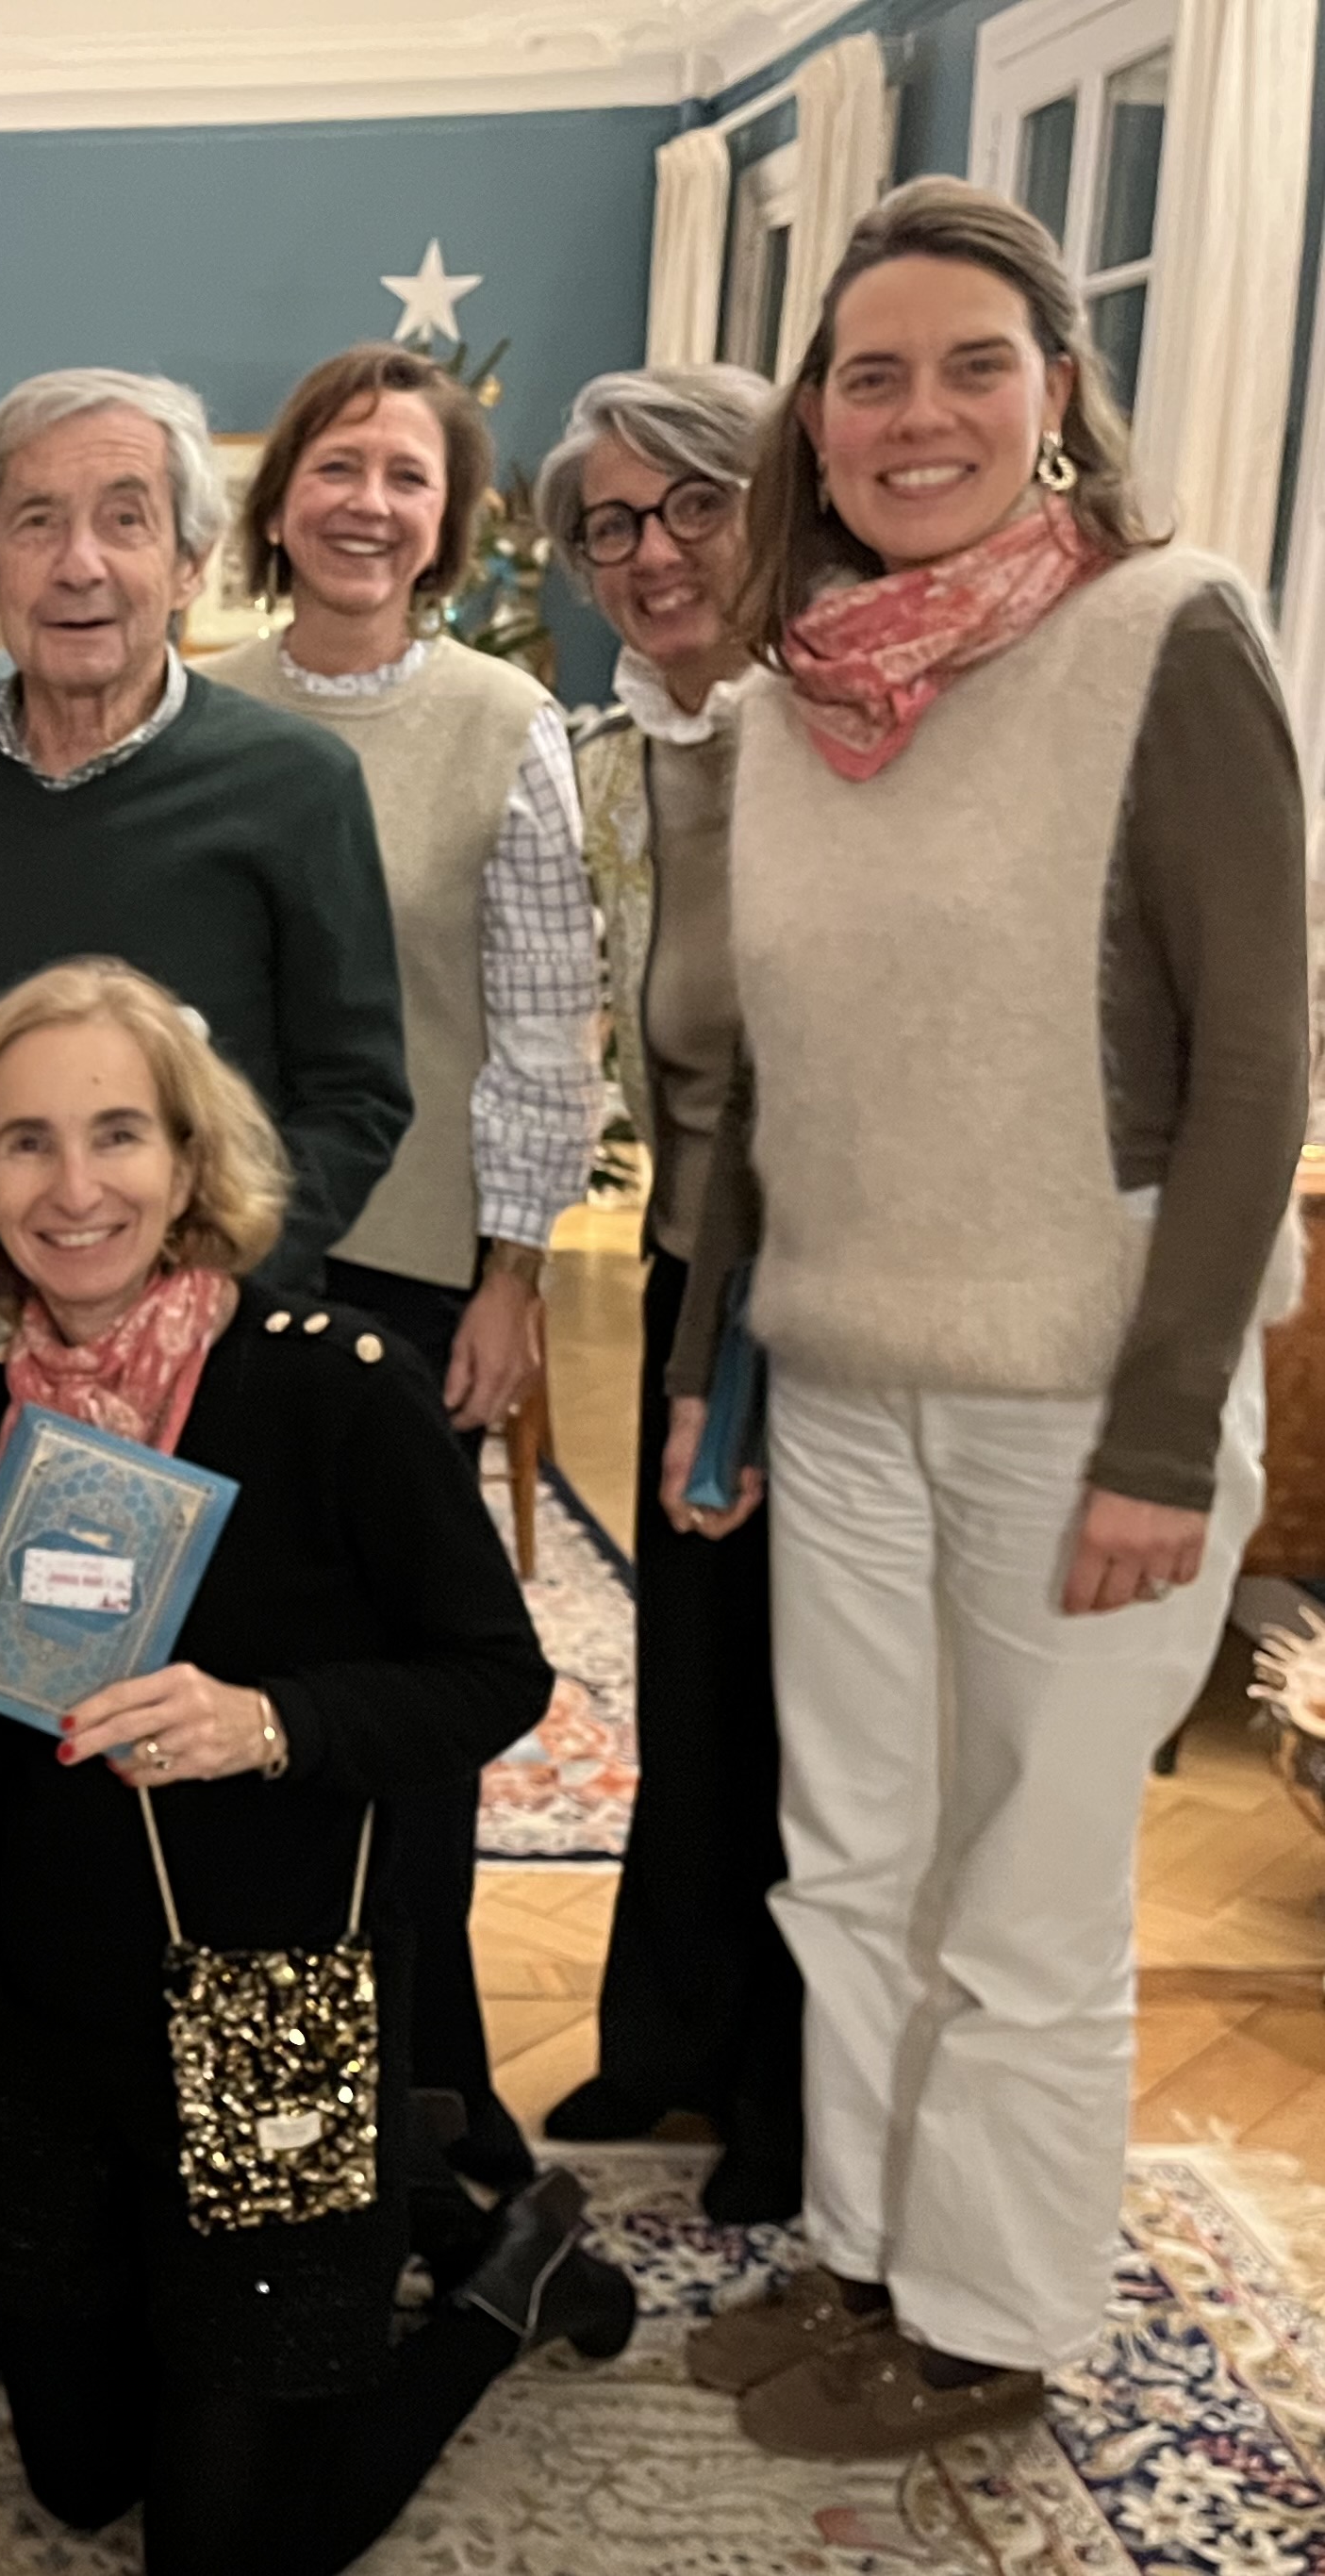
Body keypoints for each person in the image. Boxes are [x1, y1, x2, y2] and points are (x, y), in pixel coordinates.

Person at [659, 178, 1306, 2458]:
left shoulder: (1168, 633)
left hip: (1077, 1386)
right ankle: (864, 2251)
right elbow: (771, 1088)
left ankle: (990, 2319)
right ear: (814, 424)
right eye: (870, 374)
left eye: (970, 365)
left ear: (1055, 395)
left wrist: (1163, 1433)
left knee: (1021, 1894)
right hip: (839, 1376)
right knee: (847, 1863)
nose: (915, 413)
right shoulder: (793, 697)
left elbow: (1258, 1059)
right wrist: (715, 1370)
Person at [0, 960, 631, 2574]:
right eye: (23, 1143)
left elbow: (492, 1676)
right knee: (78, 2481)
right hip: (52, 2008)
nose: (73, 1187)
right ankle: (368, 2218)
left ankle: (501, 2282)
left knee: (224, 2550)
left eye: (115, 1134)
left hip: (272, 2003)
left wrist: (268, 1722)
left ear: (185, 1159)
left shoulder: (325, 1382)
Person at [202, 344, 599, 2202]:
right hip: (211, 1272)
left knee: (404, 1696)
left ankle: (430, 2082)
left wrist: (513, 1271)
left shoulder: (505, 721)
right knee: (229, 1676)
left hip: (415, 1278)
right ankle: (263, 2106)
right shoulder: (196, 706)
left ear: (447, 526)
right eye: (338, 465)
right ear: (280, 497)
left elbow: (543, 1027)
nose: (368, 503)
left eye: (408, 478)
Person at [0, 368, 407, 1293]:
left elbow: (355, 1098)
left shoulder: (298, 784)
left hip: (207, 1318)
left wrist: (210, 1282)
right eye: (37, 522)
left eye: (124, 520)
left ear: (188, 564)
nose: (78, 565)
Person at [528, 362, 802, 2225]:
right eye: (611, 525)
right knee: (690, 1673)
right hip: (692, 1259)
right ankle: (670, 2031)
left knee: (804, 1699)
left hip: (823, 1278)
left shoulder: (838, 736)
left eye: (693, 503)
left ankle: (787, 2089)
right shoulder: (612, 763)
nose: (651, 553)